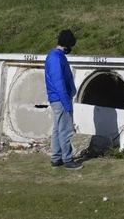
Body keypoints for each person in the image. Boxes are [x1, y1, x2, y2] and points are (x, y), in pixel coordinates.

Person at [45, 29, 82, 170]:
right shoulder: (56, 57)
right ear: (67, 45)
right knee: (65, 130)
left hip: (57, 98)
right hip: (61, 98)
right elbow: (59, 82)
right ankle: (68, 159)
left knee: (57, 129)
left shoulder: (56, 55)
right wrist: (67, 103)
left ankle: (56, 158)